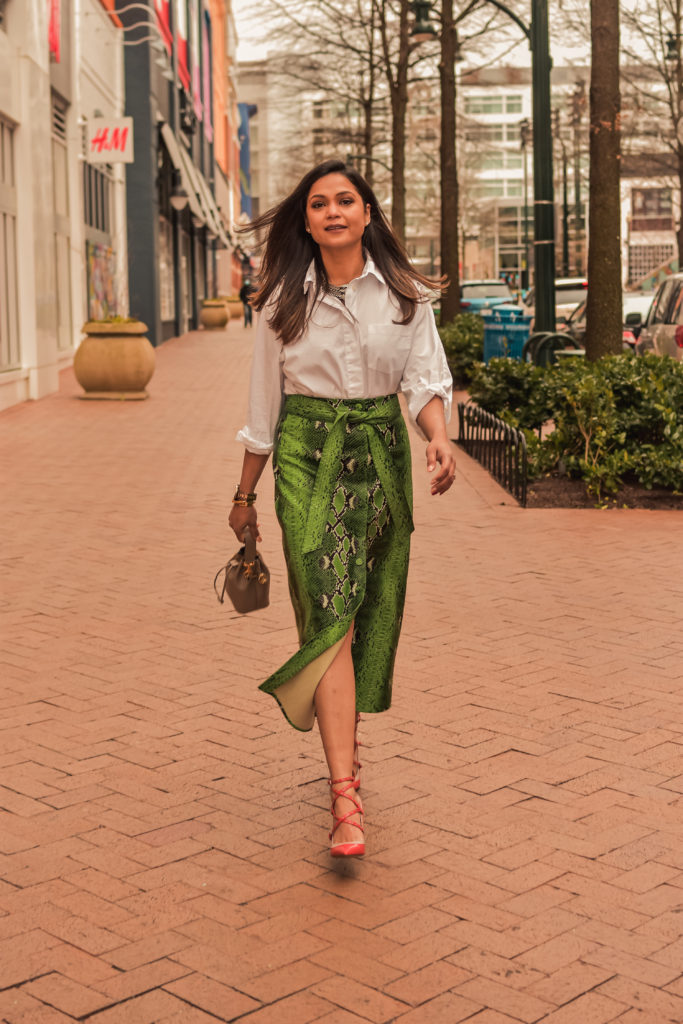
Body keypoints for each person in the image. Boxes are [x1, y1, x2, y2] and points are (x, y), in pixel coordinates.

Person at [230, 158, 455, 859]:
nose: (332, 211)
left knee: (364, 611)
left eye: (346, 200)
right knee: (329, 612)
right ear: (305, 220)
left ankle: (342, 748)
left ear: (366, 213)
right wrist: (243, 495)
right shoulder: (280, 302)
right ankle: (344, 795)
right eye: (319, 203)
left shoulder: (404, 296)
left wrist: (440, 440)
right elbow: (263, 410)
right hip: (304, 456)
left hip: (381, 455)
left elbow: (424, 382)